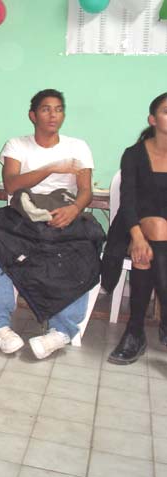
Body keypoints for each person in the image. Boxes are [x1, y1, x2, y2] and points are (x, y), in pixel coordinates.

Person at [0, 89, 104, 359]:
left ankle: (62, 331)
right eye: (46, 109)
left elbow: (85, 190)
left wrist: (74, 209)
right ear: (33, 115)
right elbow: (11, 184)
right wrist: (51, 168)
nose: (53, 115)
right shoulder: (16, 145)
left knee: (83, 250)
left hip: (64, 212)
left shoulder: (78, 147)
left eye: (58, 109)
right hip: (24, 214)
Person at [104, 93, 167, 364]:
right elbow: (128, 201)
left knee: (150, 249)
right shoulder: (134, 154)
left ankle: (135, 331)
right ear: (152, 119)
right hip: (131, 226)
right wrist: (137, 236)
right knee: (152, 234)